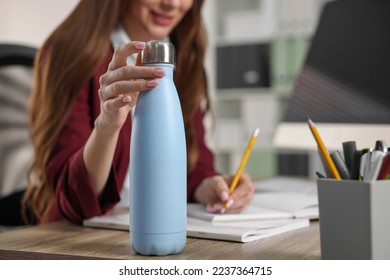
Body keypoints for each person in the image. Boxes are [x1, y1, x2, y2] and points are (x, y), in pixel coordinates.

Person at [23, 0, 254, 224]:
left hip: (162, 226)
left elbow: (194, 160)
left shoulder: (179, 54)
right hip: (84, 236)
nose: (173, 3)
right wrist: (107, 127)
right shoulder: (74, 53)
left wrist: (208, 187)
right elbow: (73, 194)